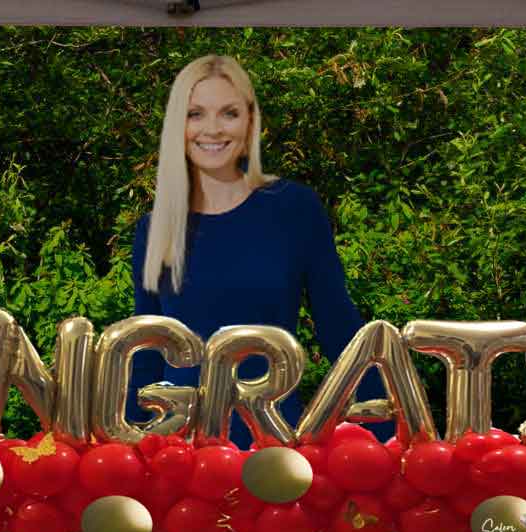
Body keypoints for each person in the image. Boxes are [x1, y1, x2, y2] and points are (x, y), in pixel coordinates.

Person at [131, 54, 389, 447]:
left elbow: (339, 328)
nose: (212, 129)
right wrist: (127, 449)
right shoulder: (154, 229)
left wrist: (388, 439)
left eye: (229, 113)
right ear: (177, 125)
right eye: (196, 114)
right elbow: (146, 357)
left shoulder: (293, 208)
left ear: (250, 121)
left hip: (272, 444)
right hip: (178, 451)